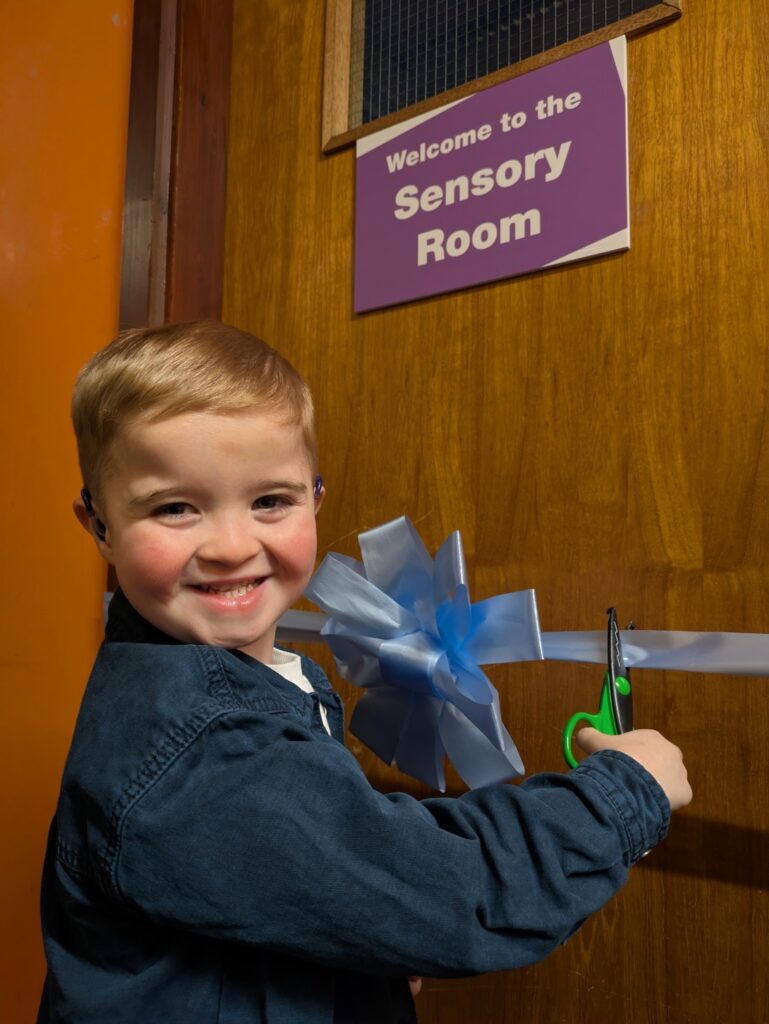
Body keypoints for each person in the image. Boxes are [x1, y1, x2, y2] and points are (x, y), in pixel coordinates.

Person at [38, 321, 691, 1024]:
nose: (231, 546)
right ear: (99, 523)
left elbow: (314, 856)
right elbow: (454, 892)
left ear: (314, 497)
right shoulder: (198, 751)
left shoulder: (258, 681)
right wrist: (625, 793)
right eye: (174, 508)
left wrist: (362, 946)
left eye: (270, 502)